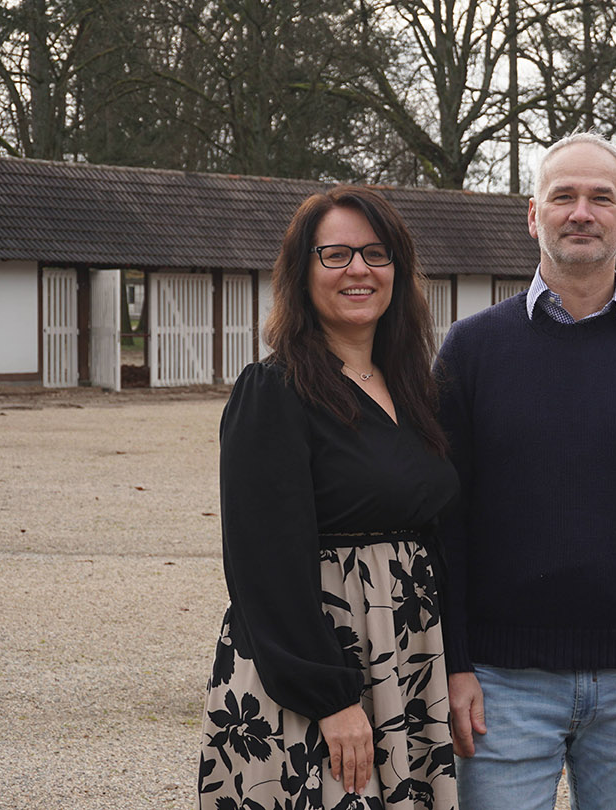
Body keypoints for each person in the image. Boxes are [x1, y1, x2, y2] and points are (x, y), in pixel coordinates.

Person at [433, 132, 616, 810]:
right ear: (531, 213)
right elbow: (443, 524)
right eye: (563, 196)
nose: (581, 212)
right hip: (500, 684)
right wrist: (452, 664)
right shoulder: (472, 349)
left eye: (601, 198)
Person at [198, 186, 459, 810]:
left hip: (406, 654)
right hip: (314, 669)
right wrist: (332, 700)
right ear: (302, 272)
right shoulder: (275, 392)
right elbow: (263, 564)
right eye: (335, 254)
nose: (359, 270)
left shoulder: (417, 391)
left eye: (376, 253)